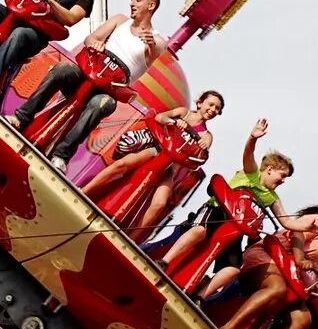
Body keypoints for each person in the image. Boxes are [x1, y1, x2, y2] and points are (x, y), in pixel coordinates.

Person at [8, 0, 164, 173]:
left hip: (108, 88)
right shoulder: (120, 20)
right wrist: (96, 43)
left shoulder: (157, 40)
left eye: (137, 0)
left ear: (151, 5)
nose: (131, 3)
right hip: (88, 73)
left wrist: (151, 43)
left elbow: (155, 50)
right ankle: (21, 118)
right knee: (63, 69)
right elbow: (91, 39)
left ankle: (61, 155)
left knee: (102, 103)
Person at [159, 119, 312, 293]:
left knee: (233, 268)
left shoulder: (271, 197)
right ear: (269, 169)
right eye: (282, 175)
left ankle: (201, 296)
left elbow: (287, 222)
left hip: (235, 229)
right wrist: (252, 138)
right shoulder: (252, 173)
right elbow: (248, 153)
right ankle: (164, 261)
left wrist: (310, 225)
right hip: (217, 211)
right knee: (200, 231)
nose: (283, 181)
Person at [83, 90, 224, 233]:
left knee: (160, 203)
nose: (212, 110)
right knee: (122, 164)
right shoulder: (183, 113)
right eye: (211, 104)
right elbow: (160, 117)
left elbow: (199, 157)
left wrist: (202, 146)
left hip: (171, 167)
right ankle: (85, 191)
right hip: (157, 150)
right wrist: (173, 121)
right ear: (200, 103)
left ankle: (132, 236)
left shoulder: (206, 136)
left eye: (217, 109)